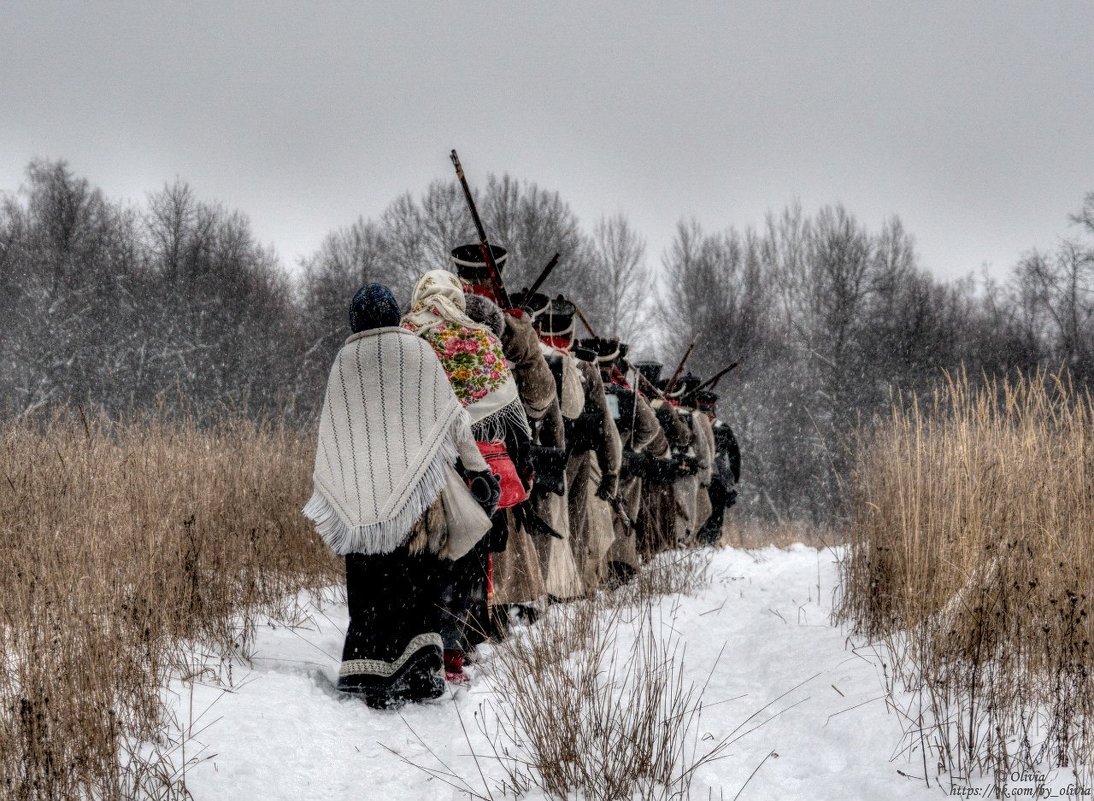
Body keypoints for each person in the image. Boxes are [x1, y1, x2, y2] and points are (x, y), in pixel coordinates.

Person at [303, 284, 496, 708]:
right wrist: (479, 471)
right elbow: (454, 419)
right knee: (415, 583)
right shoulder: (417, 352)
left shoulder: (344, 360)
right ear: (394, 314)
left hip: (360, 494)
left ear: (355, 319)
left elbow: (334, 429)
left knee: (369, 586)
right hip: (415, 498)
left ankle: (368, 671)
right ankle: (419, 674)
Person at [402, 270, 533, 678]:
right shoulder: (481, 341)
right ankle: (454, 650)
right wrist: (523, 462)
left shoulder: (407, 340)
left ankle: (416, 646)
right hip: (475, 469)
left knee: (421, 560)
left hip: (420, 467)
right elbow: (514, 416)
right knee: (466, 562)